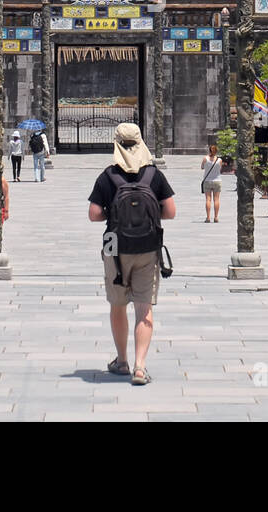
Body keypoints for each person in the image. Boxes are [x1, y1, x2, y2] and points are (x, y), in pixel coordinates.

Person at [88, 122, 175, 386]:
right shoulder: (153, 175)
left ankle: (121, 360)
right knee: (143, 307)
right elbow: (170, 212)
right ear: (141, 143)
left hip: (114, 245)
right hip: (148, 246)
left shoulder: (108, 176)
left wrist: (112, 215)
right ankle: (140, 367)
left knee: (117, 304)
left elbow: (93, 215)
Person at [201, 143, 223, 223]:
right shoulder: (219, 160)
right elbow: (220, 169)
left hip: (207, 181)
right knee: (216, 200)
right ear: (216, 151)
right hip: (217, 181)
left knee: (208, 199)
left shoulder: (205, 158)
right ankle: (216, 217)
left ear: (209, 150)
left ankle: (208, 217)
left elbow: (202, 167)